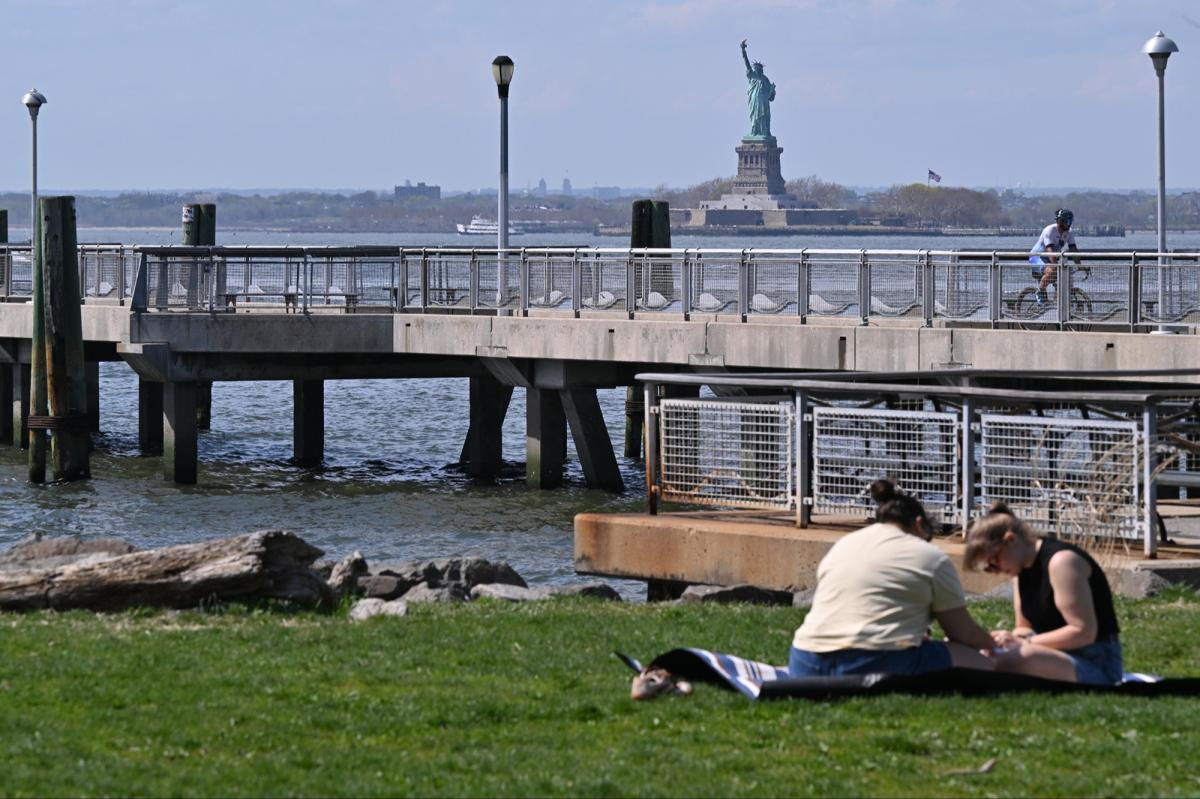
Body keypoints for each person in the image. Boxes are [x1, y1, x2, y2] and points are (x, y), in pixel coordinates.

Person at [789, 479, 995, 677]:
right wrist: (995, 643)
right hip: (869, 661)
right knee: (976, 660)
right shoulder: (930, 557)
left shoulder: (843, 545)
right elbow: (962, 633)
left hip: (805, 661)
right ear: (919, 524)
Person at [963, 504, 1123, 684]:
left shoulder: (1061, 562)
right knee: (980, 654)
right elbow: (1024, 626)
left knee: (1017, 659)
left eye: (993, 563)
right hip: (1053, 654)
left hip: (1094, 662)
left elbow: (1083, 632)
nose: (995, 571)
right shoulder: (1019, 570)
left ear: (1010, 540)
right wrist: (1009, 640)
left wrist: (1024, 644)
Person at [1029, 208, 1081, 306]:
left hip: (1050, 257)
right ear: (1061, 221)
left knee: (1065, 274)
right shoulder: (1050, 230)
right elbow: (1050, 250)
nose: (1069, 224)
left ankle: (1057, 303)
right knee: (1052, 271)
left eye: (1071, 221)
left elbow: (1073, 249)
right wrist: (1054, 265)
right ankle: (1040, 291)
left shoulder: (1069, 232)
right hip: (1037, 256)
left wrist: (1080, 265)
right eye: (1067, 221)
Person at [740, 39, 776, 138]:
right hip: (754, 101)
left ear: (761, 69)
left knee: (764, 117)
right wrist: (743, 51)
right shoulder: (752, 76)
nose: (757, 69)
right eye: (755, 68)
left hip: (763, 102)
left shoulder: (765, 79)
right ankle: (754, 132)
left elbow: (771, 97)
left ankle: (764, 132)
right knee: (755, 116)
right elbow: (747, 64)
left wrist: (772, 91)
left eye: (758, 68)